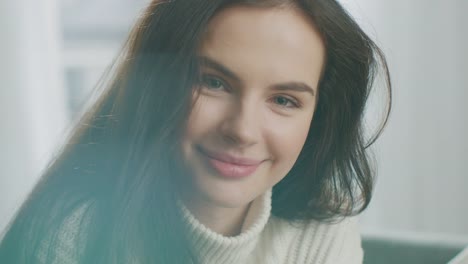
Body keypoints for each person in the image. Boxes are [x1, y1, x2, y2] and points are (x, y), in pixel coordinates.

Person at [0, 0, 391, 263]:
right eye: (215, 82)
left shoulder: (322, 230)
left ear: (318, 120)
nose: (242, 130)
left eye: (284, 100)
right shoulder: (73, 237)